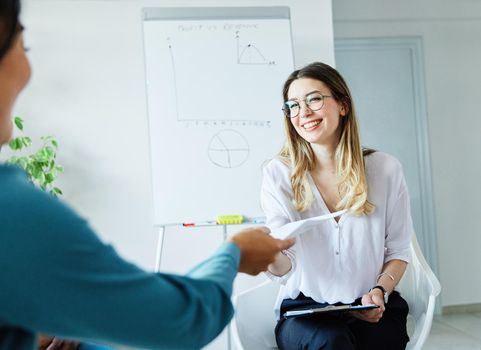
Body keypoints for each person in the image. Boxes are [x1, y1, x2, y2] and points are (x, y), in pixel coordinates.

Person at [0, 1, 295, 349]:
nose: (28, 67)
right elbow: (179, 320)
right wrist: (233, 255)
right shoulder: (14, 211)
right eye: (24, 45)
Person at [261, 62, 413, 349]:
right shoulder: (278, 174)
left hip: (371, 301)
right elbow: (284, 266)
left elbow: (398, 250)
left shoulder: (385, 169)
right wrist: (268, 252)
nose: (303, 112)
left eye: (314, 99)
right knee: (330, 341)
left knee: (379, 340)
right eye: (292, 105)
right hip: (305, 309)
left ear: (343, 105)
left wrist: (380, 290)